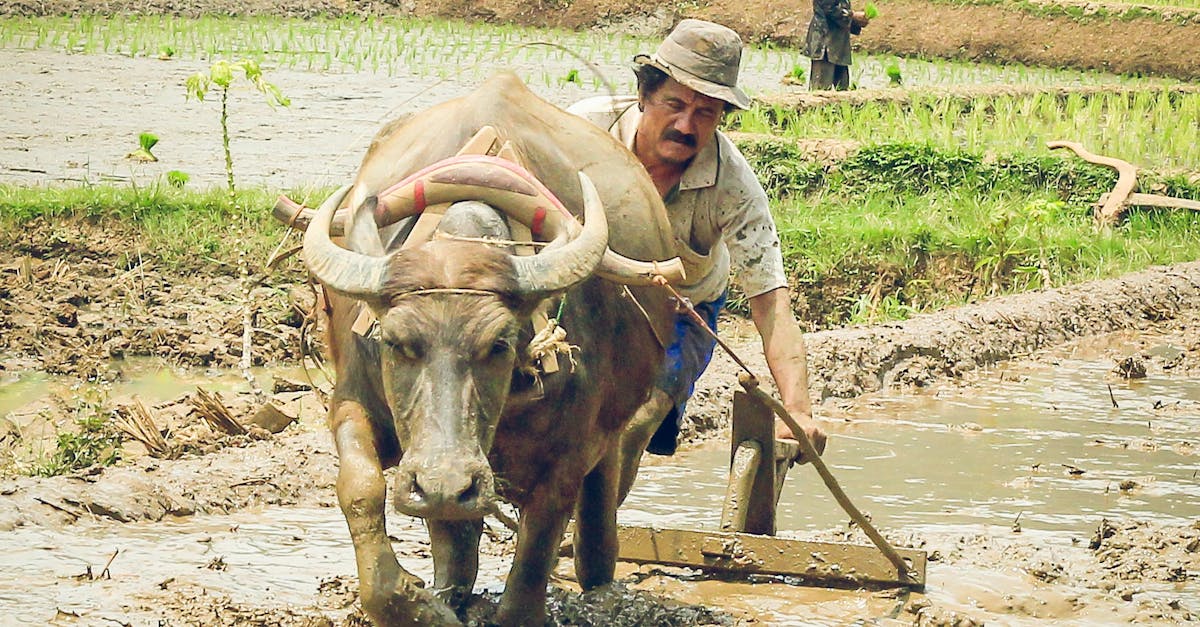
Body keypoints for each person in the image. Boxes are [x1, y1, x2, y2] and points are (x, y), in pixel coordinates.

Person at [567, 19, 827, 503]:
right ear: (643, 95)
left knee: (635, 417)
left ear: (722, 117)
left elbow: (771, 303)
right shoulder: (583, 131)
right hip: (585, 296)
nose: (687, 126)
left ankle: (587, 532)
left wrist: (799, 411)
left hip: (679, 311)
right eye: (675, 105)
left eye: (705, 113)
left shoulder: (733, 186)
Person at [804, 0, 870, 90]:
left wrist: (855, 21)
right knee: (820, 91)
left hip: (839, 43)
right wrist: (852, 16)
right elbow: (828, 7)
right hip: (825, 43)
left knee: (842, 89)